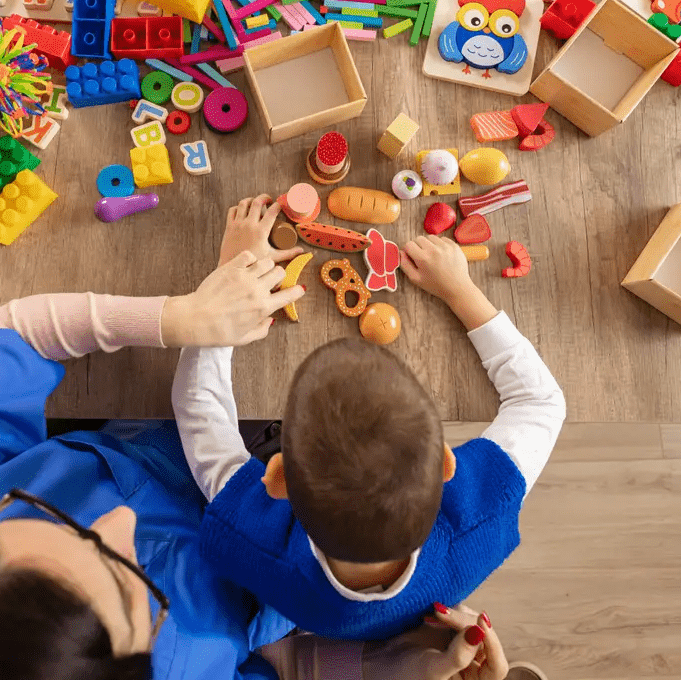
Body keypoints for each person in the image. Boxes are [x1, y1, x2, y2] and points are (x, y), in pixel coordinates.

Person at [0, 210, 513, 680]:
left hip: (165, 445)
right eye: (124, 581)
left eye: (30, 518)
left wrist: (184, 316)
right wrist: (397, 670)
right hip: (268, 579)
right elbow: (290, 663)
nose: (119, 521)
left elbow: (14, 329)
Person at [174, 196, 566, 641]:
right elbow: (541, 402)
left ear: (278, 477)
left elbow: (199, 406)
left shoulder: (248, 540)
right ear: (445, 464)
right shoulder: (484, 517)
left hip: (308, 608)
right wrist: (460, 290)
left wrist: (231, 277)